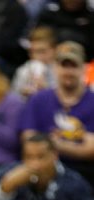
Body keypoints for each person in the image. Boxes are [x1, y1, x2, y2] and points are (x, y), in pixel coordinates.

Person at [19, 40, 94, 186]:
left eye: (74, 66)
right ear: (54, 68)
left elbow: (92, 150)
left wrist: (53, 143)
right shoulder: (39, 99)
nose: (68, 71)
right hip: (42, 171)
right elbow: (28, 138)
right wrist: (77, 143)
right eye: (63, 65)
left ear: (83, 69)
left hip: (86, 173)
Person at [11, 25, 57, 99]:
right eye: (32, 52)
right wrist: (22, 95)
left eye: (41, 51)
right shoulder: (23, 71)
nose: (36, 56)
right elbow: (13, 102)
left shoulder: (63, 71)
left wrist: (46, 89)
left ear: (54, 50)